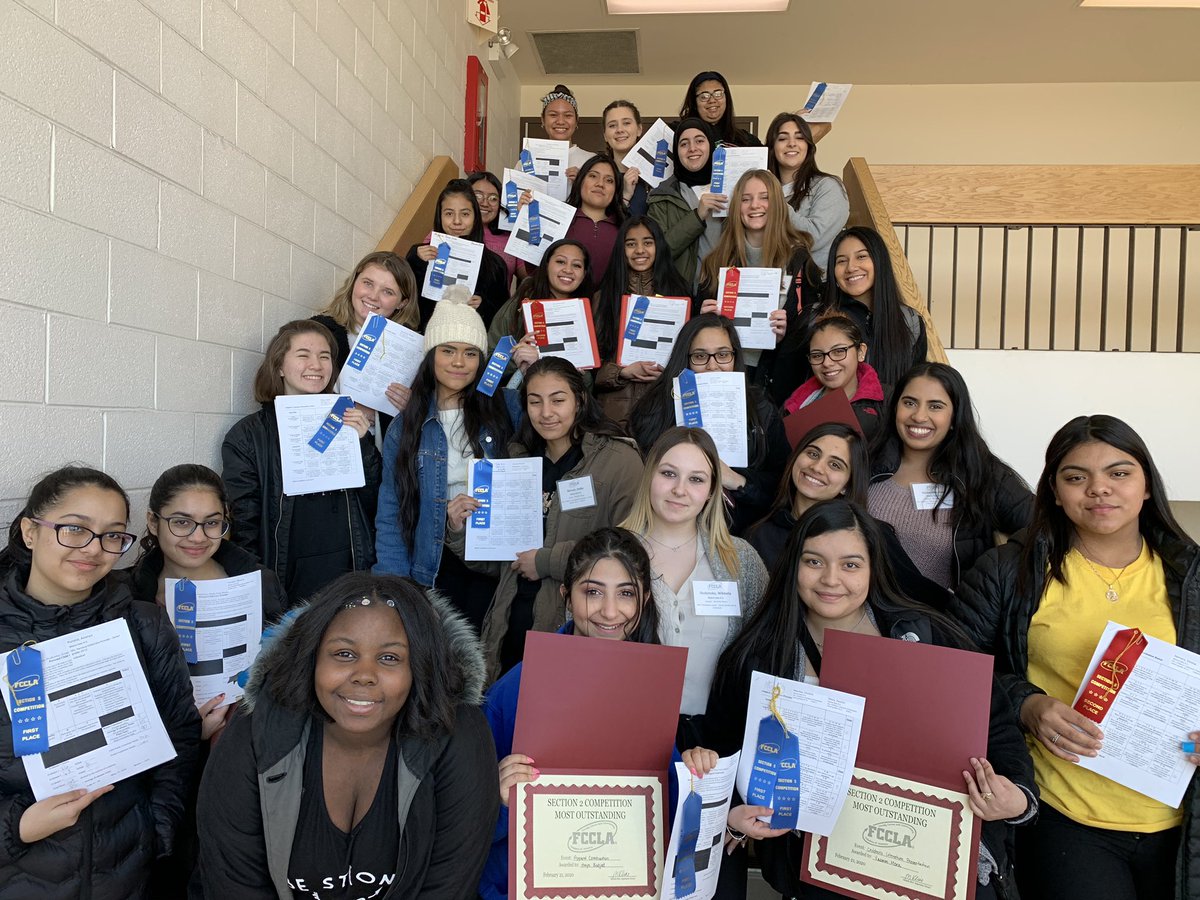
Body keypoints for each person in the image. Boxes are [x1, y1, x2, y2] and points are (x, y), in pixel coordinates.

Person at [701, 499, 1037, 900]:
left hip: (928, 852)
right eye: (813, 562)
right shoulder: (756, 656)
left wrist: (1018, 797)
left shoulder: (923, 635)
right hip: (819, 861)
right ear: (792, 565)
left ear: (874, 567)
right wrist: (735, 815)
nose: (830, 579)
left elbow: (997, 728)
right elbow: (724, 752)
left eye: (850, 564)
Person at [951, 415, 1200, 900]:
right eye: (1076, 477)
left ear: (1147, 485)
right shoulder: (1010, 570)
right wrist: (1026, 704)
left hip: (1181, 818)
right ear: (1055, 491)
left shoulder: (1191, 575)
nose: (1099, 490)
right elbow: (953, 673)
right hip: (1063, 814)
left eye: (1119, 473)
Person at [196, 572, 498, 898]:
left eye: (389, 658)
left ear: (419, 668)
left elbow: (448, 887)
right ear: (312, 657)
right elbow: (234, 883)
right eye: (344, 654)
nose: (364, 676)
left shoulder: (459, 733)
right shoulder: (257, 729)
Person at [0, 466, 200, 899]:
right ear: (30, 531)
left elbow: (179, 734)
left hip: (128, 872)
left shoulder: (144, 624)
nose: (94, 549)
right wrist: (16, 824)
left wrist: (155, 828)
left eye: (112, 535)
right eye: (75, 529)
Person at [479, 528, 671, 900]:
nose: (610, 611)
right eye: (593, 592)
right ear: (567, 596)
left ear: (644, 599)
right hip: (522, 884)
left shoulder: (652, 686)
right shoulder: (516, 688)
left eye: (626, 593)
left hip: (620, 884)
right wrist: (497, 797)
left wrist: (699, 784)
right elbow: (467, 818)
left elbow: (668, 800)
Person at [445, 357, 644, 678]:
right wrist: (459, 529)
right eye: (535, 402)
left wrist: (546, 561)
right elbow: (499, 563)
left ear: (579, 401)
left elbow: (632, 551)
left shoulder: (620, 462)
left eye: (558, 400)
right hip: (507, 631)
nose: (546, 412)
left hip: (573, 633)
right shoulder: (516, 459)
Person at [374, 292, 520, 632]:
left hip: (497, 563)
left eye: (470, 353)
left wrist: (533, 368)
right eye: (448, 350)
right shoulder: (406, 426)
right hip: (436, 565)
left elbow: (560, 416)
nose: (459, 362)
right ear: (431, 357)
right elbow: (391, 510)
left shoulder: (507, 409)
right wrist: (393, 585)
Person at [620, 427, 769, 747]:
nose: (679, 490)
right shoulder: (610, 553)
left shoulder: (741, 561)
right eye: (669, 474)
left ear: (713, 489)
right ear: (649, 477)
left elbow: (764, 654)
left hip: (714, 743)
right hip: (625, 731)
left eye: (696, 479)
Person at [222, 320, 381, 603]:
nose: (316, 365)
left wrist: (364, 445)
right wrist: (260, 584)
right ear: (280, 366)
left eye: (324, 356)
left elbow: (375, 502)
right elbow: (244, 525)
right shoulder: (248, 436)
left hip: (348, 569)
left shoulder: (348, 422)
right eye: (303, 355)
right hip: (287, 577)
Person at [745, 421, 953, 608]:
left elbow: (923, 597)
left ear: (847, 484)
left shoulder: (870, 536)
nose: (817, 467)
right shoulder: (758, 535)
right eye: (813, 453)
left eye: (835, 465)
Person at [869, 362, 1033, 590]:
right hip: (861, 619)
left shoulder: (981, 473)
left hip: (939, 620)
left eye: (935, 406)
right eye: (909, 403)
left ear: (955, 417)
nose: (919, 416)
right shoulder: (867, 463)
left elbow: (1043, 527)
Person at [629, 313, 790, 533]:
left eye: (723, 355)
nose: (713, 366)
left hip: (739, 531)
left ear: (735, 357)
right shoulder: (656, 408)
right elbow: (636, 477)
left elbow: (780, 486)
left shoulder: (761, 409)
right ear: (685, 359)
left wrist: (737, 480)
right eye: (700, 356)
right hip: (667, 527)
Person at [696, 168, 823, 405]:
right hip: (726, 380)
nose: (755, 205)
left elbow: (812, 329)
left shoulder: (799, 260)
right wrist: (703, 320)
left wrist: (787, 331)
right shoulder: (715, 262)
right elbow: (694, 335)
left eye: (764, 197)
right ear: (736, 208)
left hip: (778, 381)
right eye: (746, 199)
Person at [591, 215, 693, 429]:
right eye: (631, 244)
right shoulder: (604, 297)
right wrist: (621, 372)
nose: (639, 250)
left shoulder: (680, 294)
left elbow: (688, 357)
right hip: (612, 409)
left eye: (648, 242)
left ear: (659, 246)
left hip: (662, 405)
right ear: (621, 250)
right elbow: (591, 366)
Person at [311, 251, 420, 437]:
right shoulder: (318, 331)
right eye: (368, 283)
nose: (373, 296)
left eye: (388, 292)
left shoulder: (412, 351)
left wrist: (411, 406)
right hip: (322, 444)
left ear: (402, 303)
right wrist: (356, 411)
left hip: (377, 457)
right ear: (354, 281)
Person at [820, 225, 927, 387]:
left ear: (879, 261)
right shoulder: (818, 318)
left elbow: (914, 386)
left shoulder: (910, 321)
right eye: (841, 261)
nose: (851, 267)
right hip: (835, 412)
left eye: (861, 257)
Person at [405, 178, 511, 330]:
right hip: (426, 339)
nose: (457, 221)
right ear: (439, 217)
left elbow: (503, 318)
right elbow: (404, 300)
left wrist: (483, 307)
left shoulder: (495, 264)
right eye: (449, 214)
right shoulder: (420, 254)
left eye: (465, 214)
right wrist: (416, 261)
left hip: (472, 343)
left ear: (475, 217)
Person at [765, 112, 849, 276]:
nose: (791, 143)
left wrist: (774, 199)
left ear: (809, 145)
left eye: (800, 137)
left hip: (812, 290)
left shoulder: (828, 186)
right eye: (782, 138)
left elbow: (813, 237)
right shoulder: (759, 192)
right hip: (766, 285)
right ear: (772, 147)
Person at [646, 118, 725, 288]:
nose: (692, 148)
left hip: (727, 296)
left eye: (699, 141)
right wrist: (697, 216)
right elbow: (657, 252)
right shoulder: (662, 196)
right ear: (676, 151)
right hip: (680, 297)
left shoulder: (732, 188)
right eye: (684, 144)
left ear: (711, 145)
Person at [782, 314, 887, 440]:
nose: (827, 363)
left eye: (838, 352)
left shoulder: (888, 402)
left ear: (861, 352)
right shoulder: (796, 405)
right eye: (817, 355)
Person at [564, 155, 625, 283]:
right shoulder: (560, 221)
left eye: (609, 180)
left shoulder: (625, 230)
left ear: (616, 190)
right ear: (580, 181)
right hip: (563, 302)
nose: (600, 184)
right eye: (593, 176)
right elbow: (534, 270)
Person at [678, 71, 761, 147]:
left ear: (726, 98)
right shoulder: (678, 133)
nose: (712, 100)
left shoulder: (747, 140)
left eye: (718, 94)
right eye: (704, 96)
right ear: (694, 103)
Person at [468, 171, 520, 286]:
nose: (485, 203)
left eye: (493, 198)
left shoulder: (509, 237)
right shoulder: (451, 229)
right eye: (477, 196)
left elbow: (529, 277)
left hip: (499, 303)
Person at [601, 99, 650, 216]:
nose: (620, 130)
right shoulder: (599, 178)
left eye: (626, 123)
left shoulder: (655, 173)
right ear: (605, 136)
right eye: (612, 125)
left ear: (639, 129)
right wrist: (625, 196)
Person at [538, 84, 594, 177]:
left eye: (568, 115)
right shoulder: (527, 162)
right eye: (553, 115)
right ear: (543, 120)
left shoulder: (591, 161)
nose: (560, 121)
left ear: (576, 121)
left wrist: (581, 182)